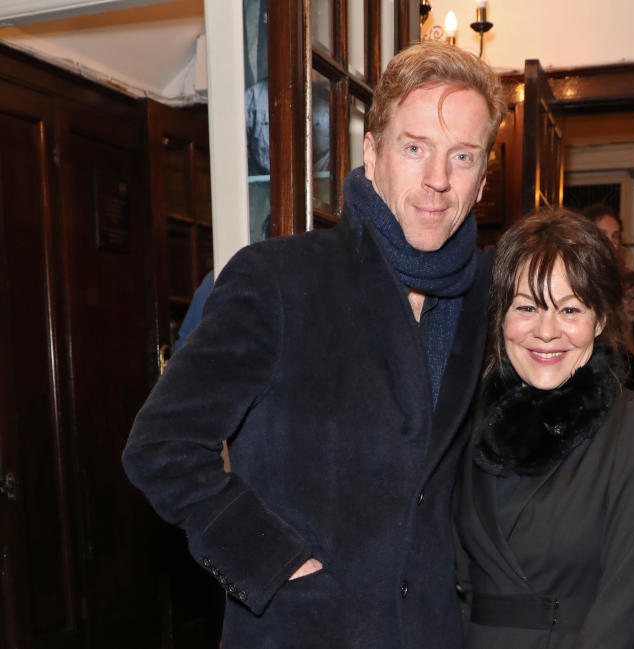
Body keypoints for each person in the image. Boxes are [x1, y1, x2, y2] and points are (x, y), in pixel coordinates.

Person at [122, 42, 507, 649]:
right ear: (372, 152)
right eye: (416, 148)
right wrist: (270, 562)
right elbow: (162, 446)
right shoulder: (277, 280)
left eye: (462, 156)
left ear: (482, 177)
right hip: (301, 627)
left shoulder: (487, 295)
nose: (438, 180)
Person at [454, 209, 634, 649]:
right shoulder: (466, 421)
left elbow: (629, 596)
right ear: (501, 317)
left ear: (598, 321)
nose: (546, 331)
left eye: (569, 309)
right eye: (526, 307)